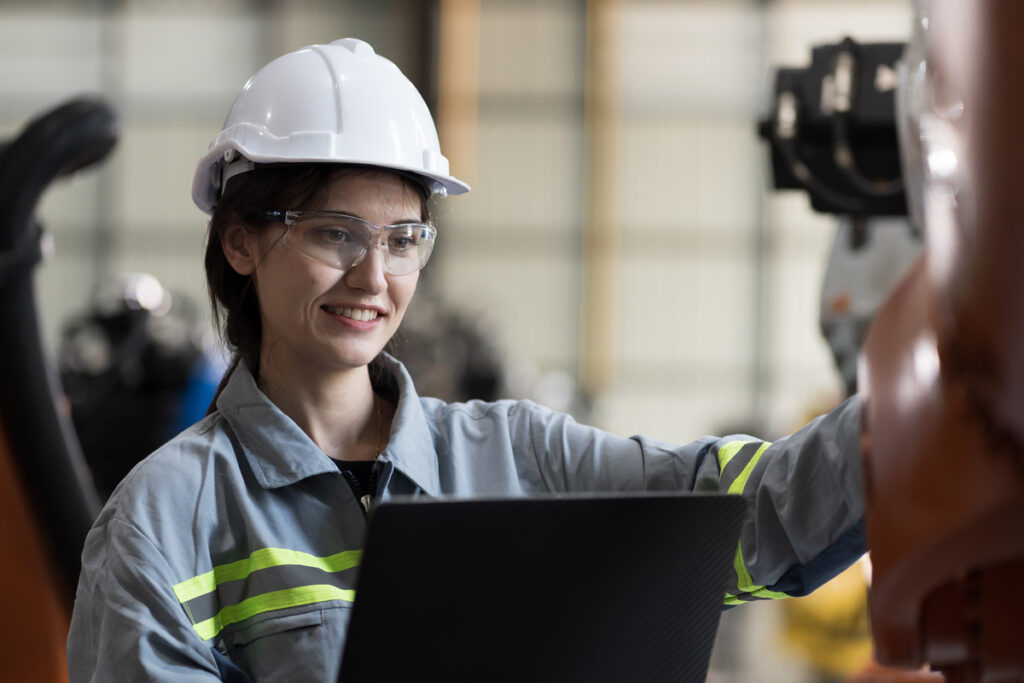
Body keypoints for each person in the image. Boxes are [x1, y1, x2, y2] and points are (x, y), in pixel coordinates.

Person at [66, 38, 865, 681]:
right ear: (240, 239)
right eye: (334, 232)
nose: (373, 278)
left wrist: (904, 413)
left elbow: (746, 517)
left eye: (403, 239)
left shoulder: (519, 457)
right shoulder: (164, 522)